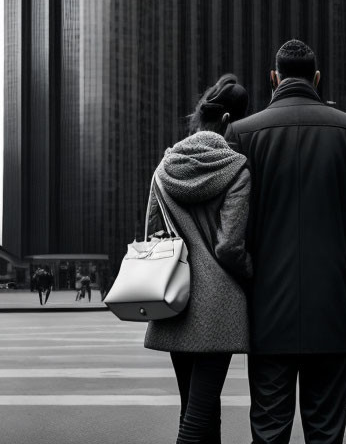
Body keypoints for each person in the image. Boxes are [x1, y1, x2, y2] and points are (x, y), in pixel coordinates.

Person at [226, 40, 346, 444]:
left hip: (266, 310)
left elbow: (231, 222)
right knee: (326, 433)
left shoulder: (243, 134)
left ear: (273, 79)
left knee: (268, 430)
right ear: (317, 79)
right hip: (336, 307)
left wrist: (252, 272)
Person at [144, 74, 252, 444]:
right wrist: (253, 277)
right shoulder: (237, 167)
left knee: (196, 407)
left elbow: (152, 233)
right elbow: (229, 246)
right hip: (218, 307)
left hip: (176, 299)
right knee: (198, 417)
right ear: (227, 122)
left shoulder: (164, 167)